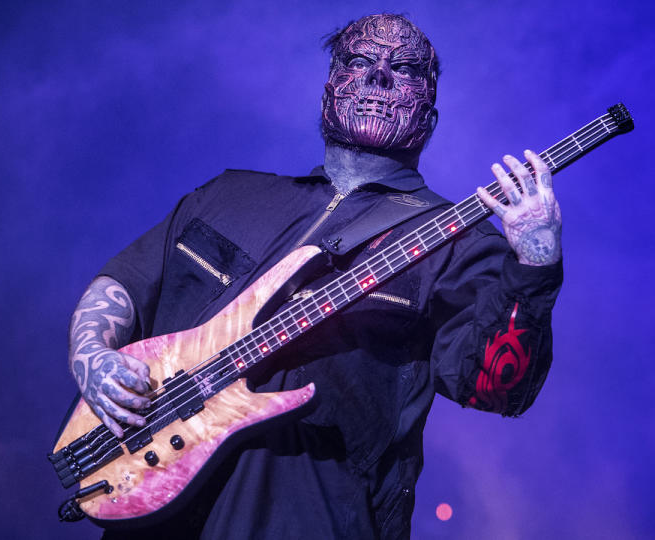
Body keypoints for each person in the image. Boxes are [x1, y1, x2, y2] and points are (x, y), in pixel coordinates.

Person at [67, 13, 563, 539]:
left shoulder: (456, 241)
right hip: (149, 504)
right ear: (329, 90)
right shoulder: (229, 194)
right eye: (357, 61)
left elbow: (498, 391)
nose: (378, 77)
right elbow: (123, 283)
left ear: (431, 116)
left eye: (405, 69)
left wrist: (536, 266)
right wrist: (94, 357)